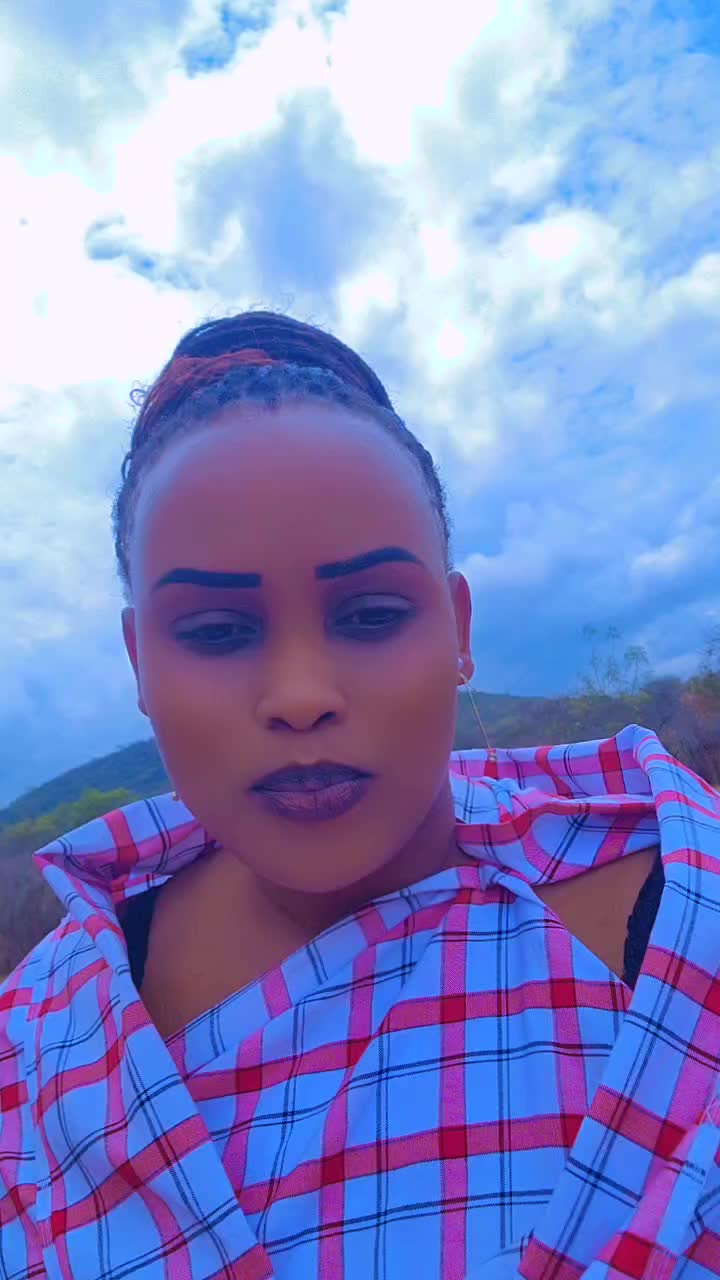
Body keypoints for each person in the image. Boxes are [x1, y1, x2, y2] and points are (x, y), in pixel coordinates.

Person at [1, 310, 718, 1280]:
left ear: (458, 628)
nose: (301, 695)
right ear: (139, 661)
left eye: (372, 613)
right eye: (215, 631)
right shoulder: (40, 1046)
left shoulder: (677, 925)